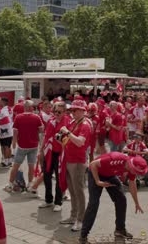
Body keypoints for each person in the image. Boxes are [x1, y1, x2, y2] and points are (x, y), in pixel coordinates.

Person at [79, 152, 147, 244]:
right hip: (96, 172)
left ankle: (120, 229)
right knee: (93, 203)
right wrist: (98, 181)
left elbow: (132, 185)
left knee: (121, 200)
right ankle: (83, 236)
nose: (137, 174)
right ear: (131, 165)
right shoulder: (116, 159)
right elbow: (93, 164)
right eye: (137, 172)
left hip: (110, 175)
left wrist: (137, 203)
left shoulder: (132, 169)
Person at [59, 99, 91, 232]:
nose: (73, 112)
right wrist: (60, 136)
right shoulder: (74, 122)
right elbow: (67, 140)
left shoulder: (85, 124)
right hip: (69, 159)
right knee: (72, 191)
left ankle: (81, 219)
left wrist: (67, 132)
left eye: (75, 110)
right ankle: (74, 215)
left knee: (78, 191)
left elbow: (80, 142)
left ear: (82, 111)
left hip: (78, 161)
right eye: (72, 110)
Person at [4, 100, 43, 192]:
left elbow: (15, 131)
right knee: (31, 166)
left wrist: (14, 142)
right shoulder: (36, 117)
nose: (33, 108)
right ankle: (30, 184)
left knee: (16, 165)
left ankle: (10, 184)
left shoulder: (18, 117)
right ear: (30, 107)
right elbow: (41, 130)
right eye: (32, 107)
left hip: (22, 145)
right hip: (33, 145)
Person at [38, 101, 70, 211]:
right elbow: (46, 137)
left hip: (60, 154)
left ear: (64, 112)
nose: (56, 113)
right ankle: (48, 200)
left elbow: (68, 140)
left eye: (59, 112)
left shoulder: (68, 122)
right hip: (49, 152)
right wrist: (41, 151)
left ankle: (58, 202)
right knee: (46, 176)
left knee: (59, 177)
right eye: (55, 111)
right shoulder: (51, 121)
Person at [0, 97, 14, 168]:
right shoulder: (9, 108)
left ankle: (6, 162)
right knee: (8, 146)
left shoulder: (4, 110)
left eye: (0, 101)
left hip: (5, 131)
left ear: (4, 102)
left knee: (5, 146)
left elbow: (6, 119)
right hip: (9, 129)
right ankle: (9, 160)